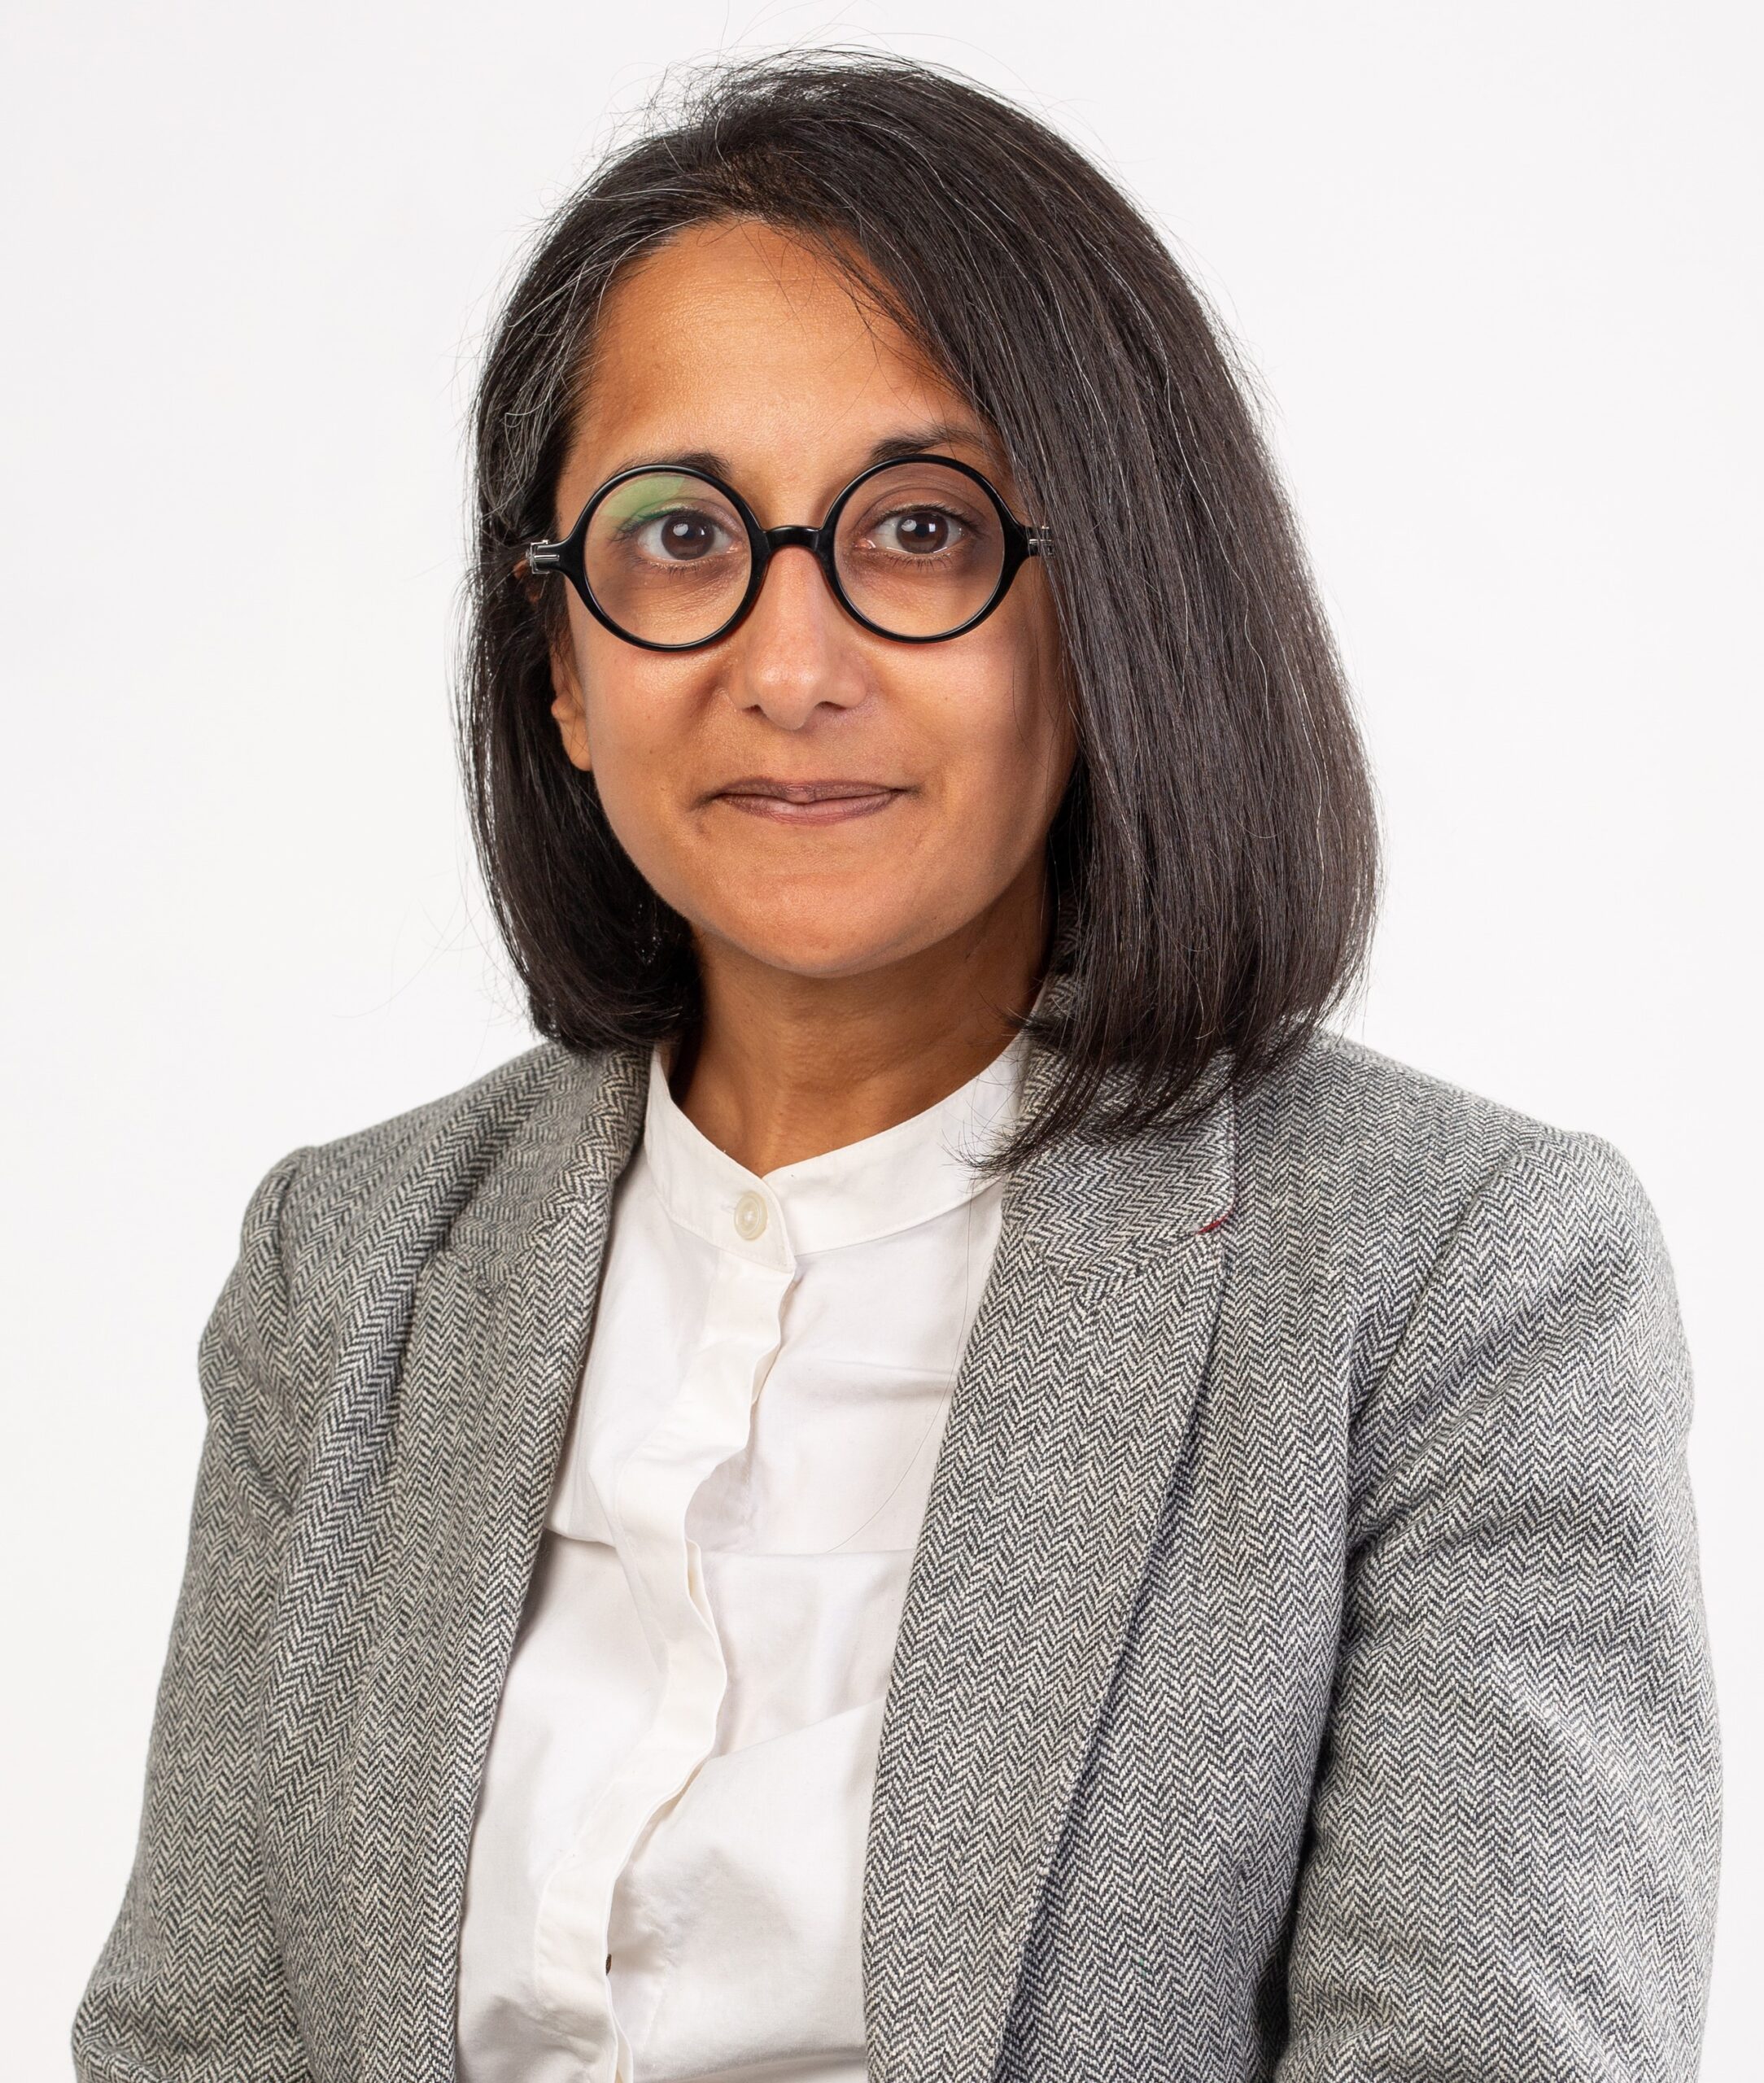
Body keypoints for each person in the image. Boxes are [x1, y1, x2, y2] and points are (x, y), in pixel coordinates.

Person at [71, 49, 1720, 2083]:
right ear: (558, 667)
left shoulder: (1451, 1277)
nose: (788, 660)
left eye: (918, 529)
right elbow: (193, 2038)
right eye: (678, 536)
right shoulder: (357, 1265)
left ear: (1104, 608)